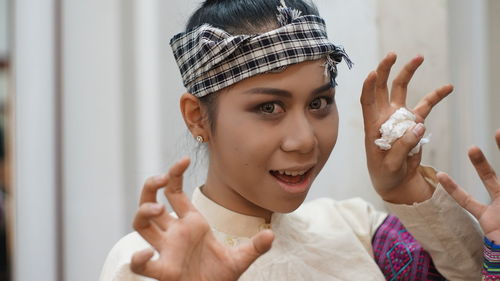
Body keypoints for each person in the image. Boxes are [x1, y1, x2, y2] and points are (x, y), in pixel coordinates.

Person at [99, 0, 500, 280]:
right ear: (197, 116)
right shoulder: (148, 261)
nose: (304, 140)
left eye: (320, 102)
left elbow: (464, 274)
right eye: (269, 108)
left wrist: (402, 188)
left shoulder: (356, 228)